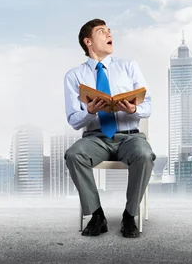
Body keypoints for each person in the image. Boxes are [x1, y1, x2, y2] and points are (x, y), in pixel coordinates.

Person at [63, 18, 155, 238]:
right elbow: (74, 120)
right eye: (102, 31)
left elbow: (148, 105)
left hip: (130, 137)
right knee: (74, 154)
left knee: (145, 154)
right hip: (96, 138)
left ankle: (129, 215)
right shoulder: (74, 76)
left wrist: (133, 110)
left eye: (109, 31)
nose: (108, 34)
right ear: (88, 42)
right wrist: (90, 111)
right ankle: (96, 215)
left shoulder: (128, 66)